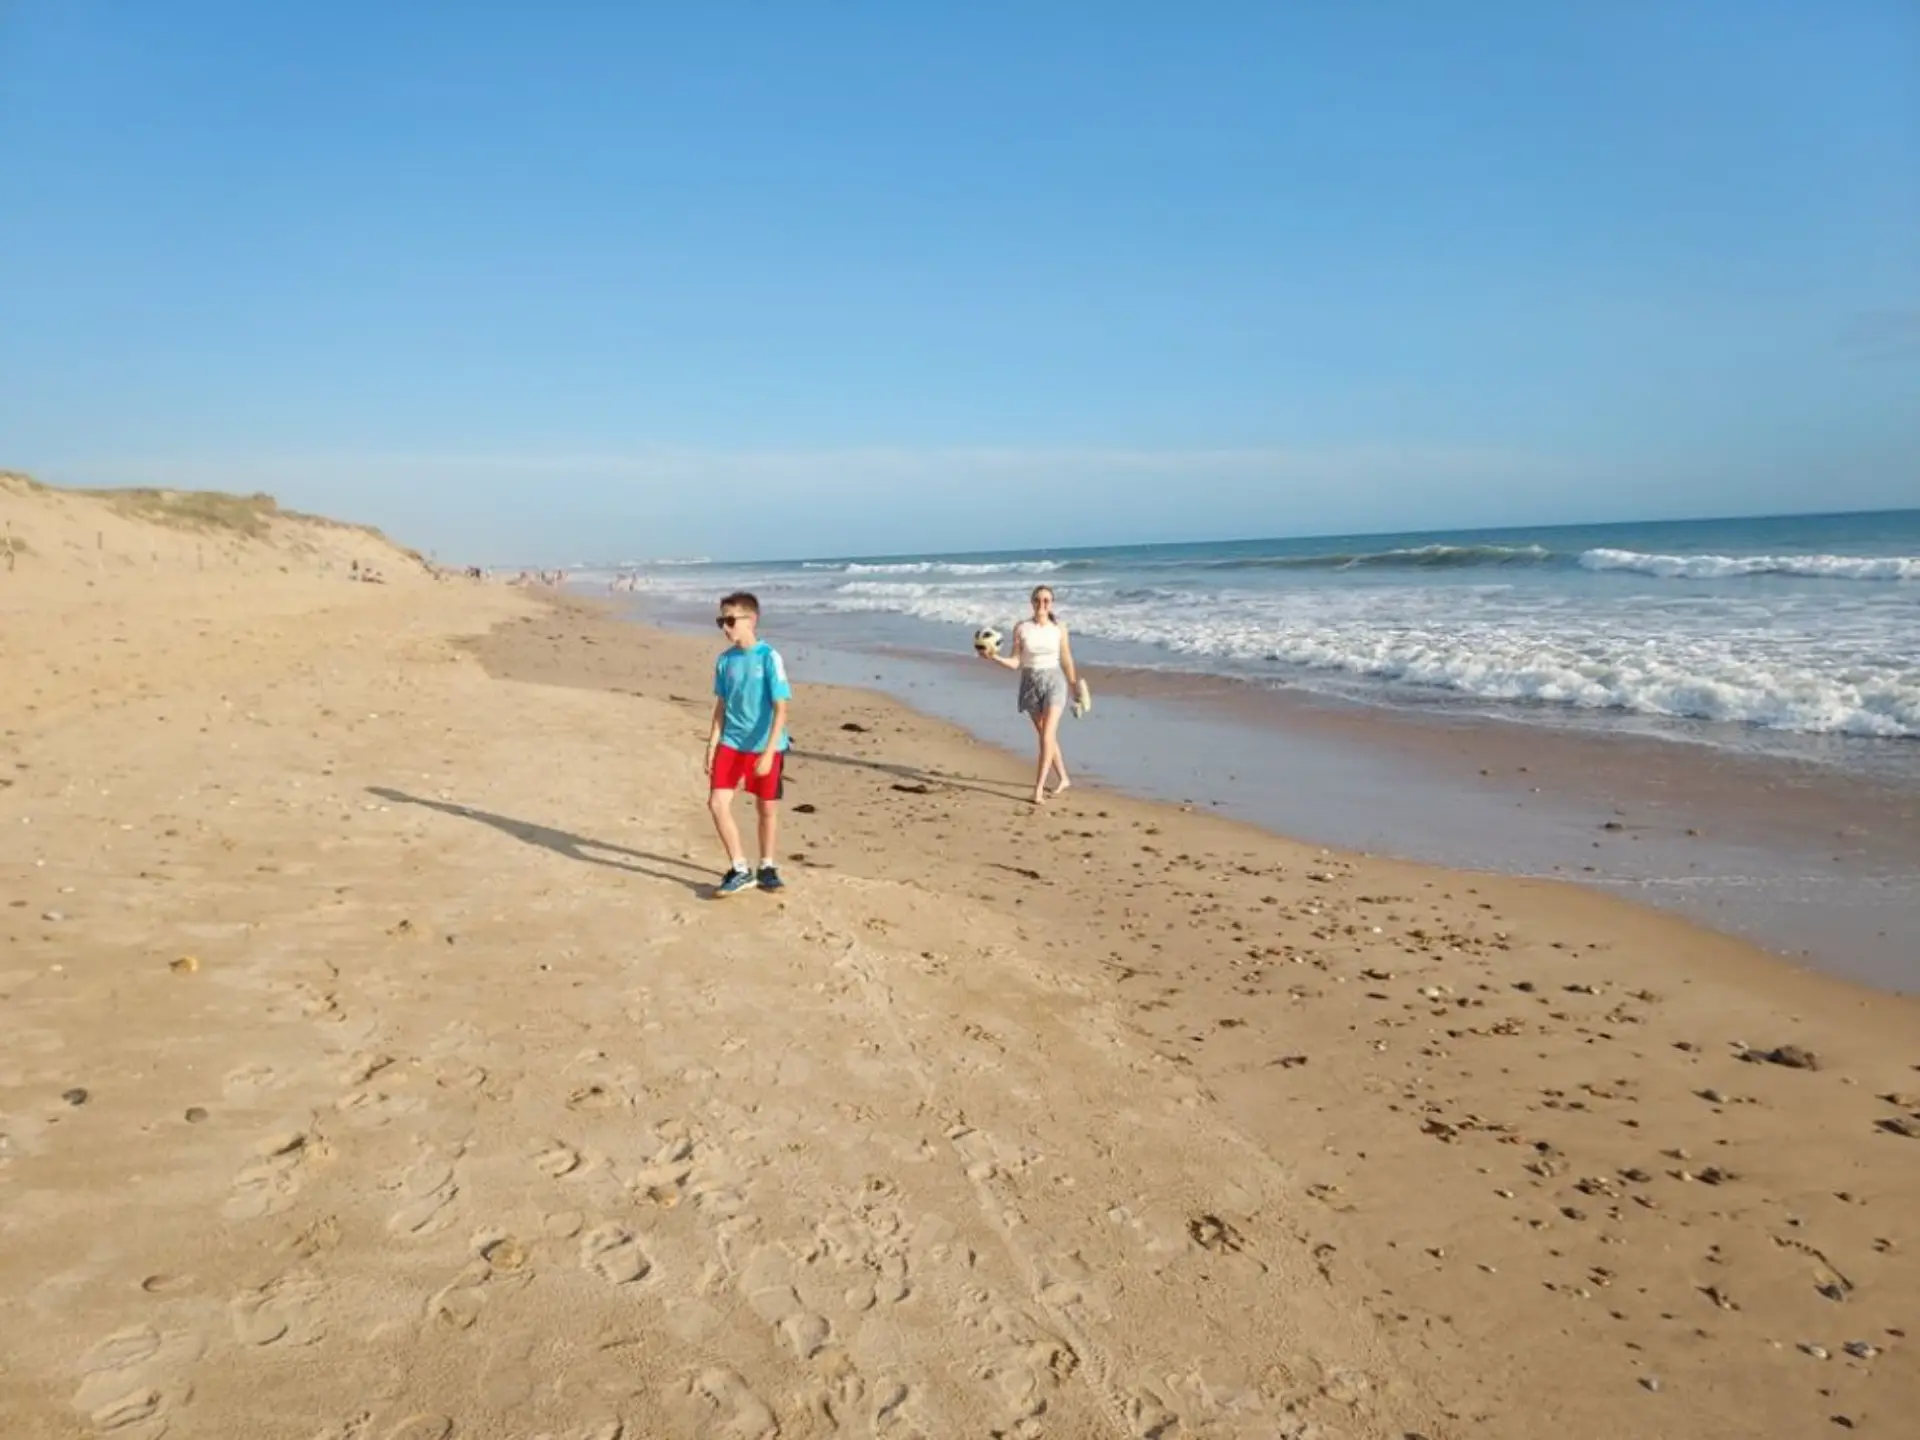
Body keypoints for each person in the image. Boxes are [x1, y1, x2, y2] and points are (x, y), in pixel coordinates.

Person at [705, 591, 792, 895]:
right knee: (717, 803)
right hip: (731, 743)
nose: (725, 628)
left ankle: (767, 866)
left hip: (766, 746)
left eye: (730, 621)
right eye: (721, 622)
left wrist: (768, 753)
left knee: (766, 808)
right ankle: (740, 868)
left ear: (751, 620)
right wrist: (712, 745)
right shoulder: (725, 661)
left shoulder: (769, 657)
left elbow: (781, 709)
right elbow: (721, 706)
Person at [980, 584, 1083, 805]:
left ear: (1052, 603)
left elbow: (1066, 658)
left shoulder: (1059, 628)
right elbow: (1015, 662)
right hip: (1030, 683)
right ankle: (1064, 778)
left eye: (1046, 600)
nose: (1042, 604)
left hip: (1055, 681)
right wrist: (994, 657)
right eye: (1038, 600)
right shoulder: (1022, 628)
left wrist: (1074, 684)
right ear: (1032, 602)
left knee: (1047, 735)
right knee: (1046, 736)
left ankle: (1038, 790)